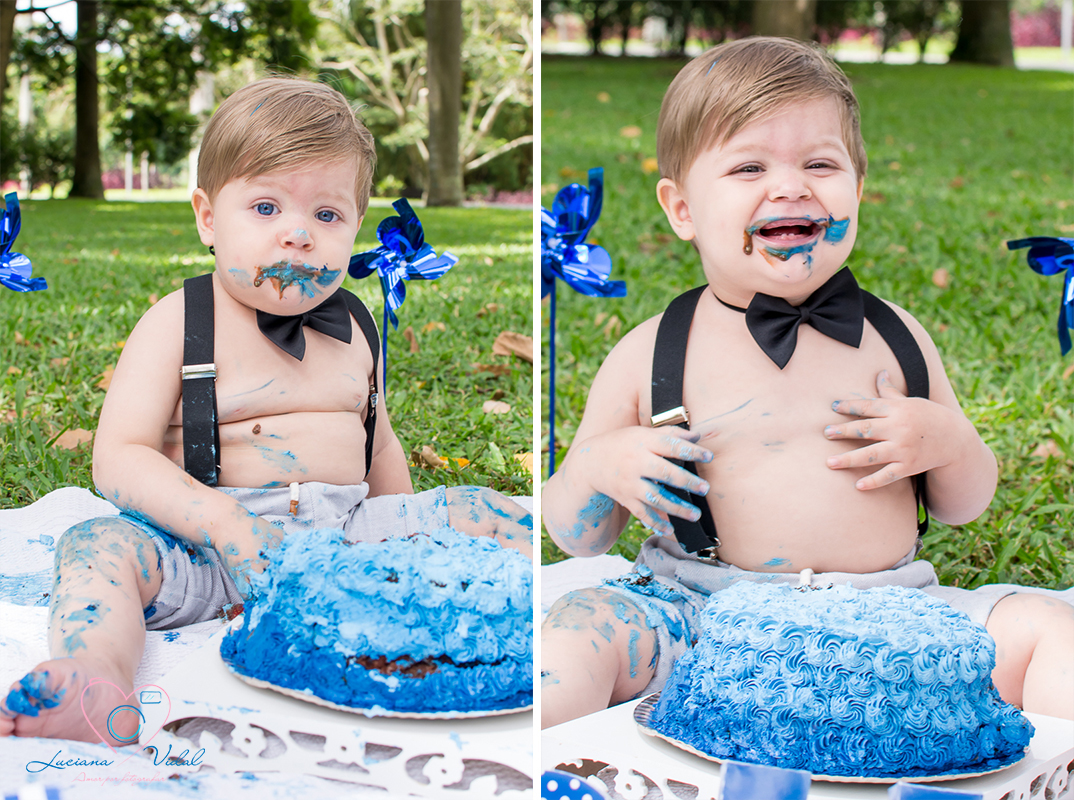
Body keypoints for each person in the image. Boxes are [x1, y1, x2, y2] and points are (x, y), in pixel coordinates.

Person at [541, 37, 1073, 728]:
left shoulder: (899, 339)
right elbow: (573, 534)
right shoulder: (648, 353)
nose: (790, 186)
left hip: (892, 621)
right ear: (682, 209)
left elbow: (964, 506)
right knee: (581, 630)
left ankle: (1052, 770)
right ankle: (524, 762)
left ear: (858, 188)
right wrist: (598, 465)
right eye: (749, 166)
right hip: (701, 620)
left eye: (820, 163)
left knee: (1049, 629)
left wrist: (949, 442)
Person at [0, 77, 531, 744]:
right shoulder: (179, 322)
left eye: (327, 217)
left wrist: (409, 544)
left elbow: (379, 443)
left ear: (355, 230)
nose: (298, 235)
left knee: (485, 510)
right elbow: (118, 457)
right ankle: (94, 676)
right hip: (207, 549)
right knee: (98, 548)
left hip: (342, 540)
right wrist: (220, 521)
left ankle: (535, 637)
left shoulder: (357, 327)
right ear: (206, 218)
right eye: (265, 207)